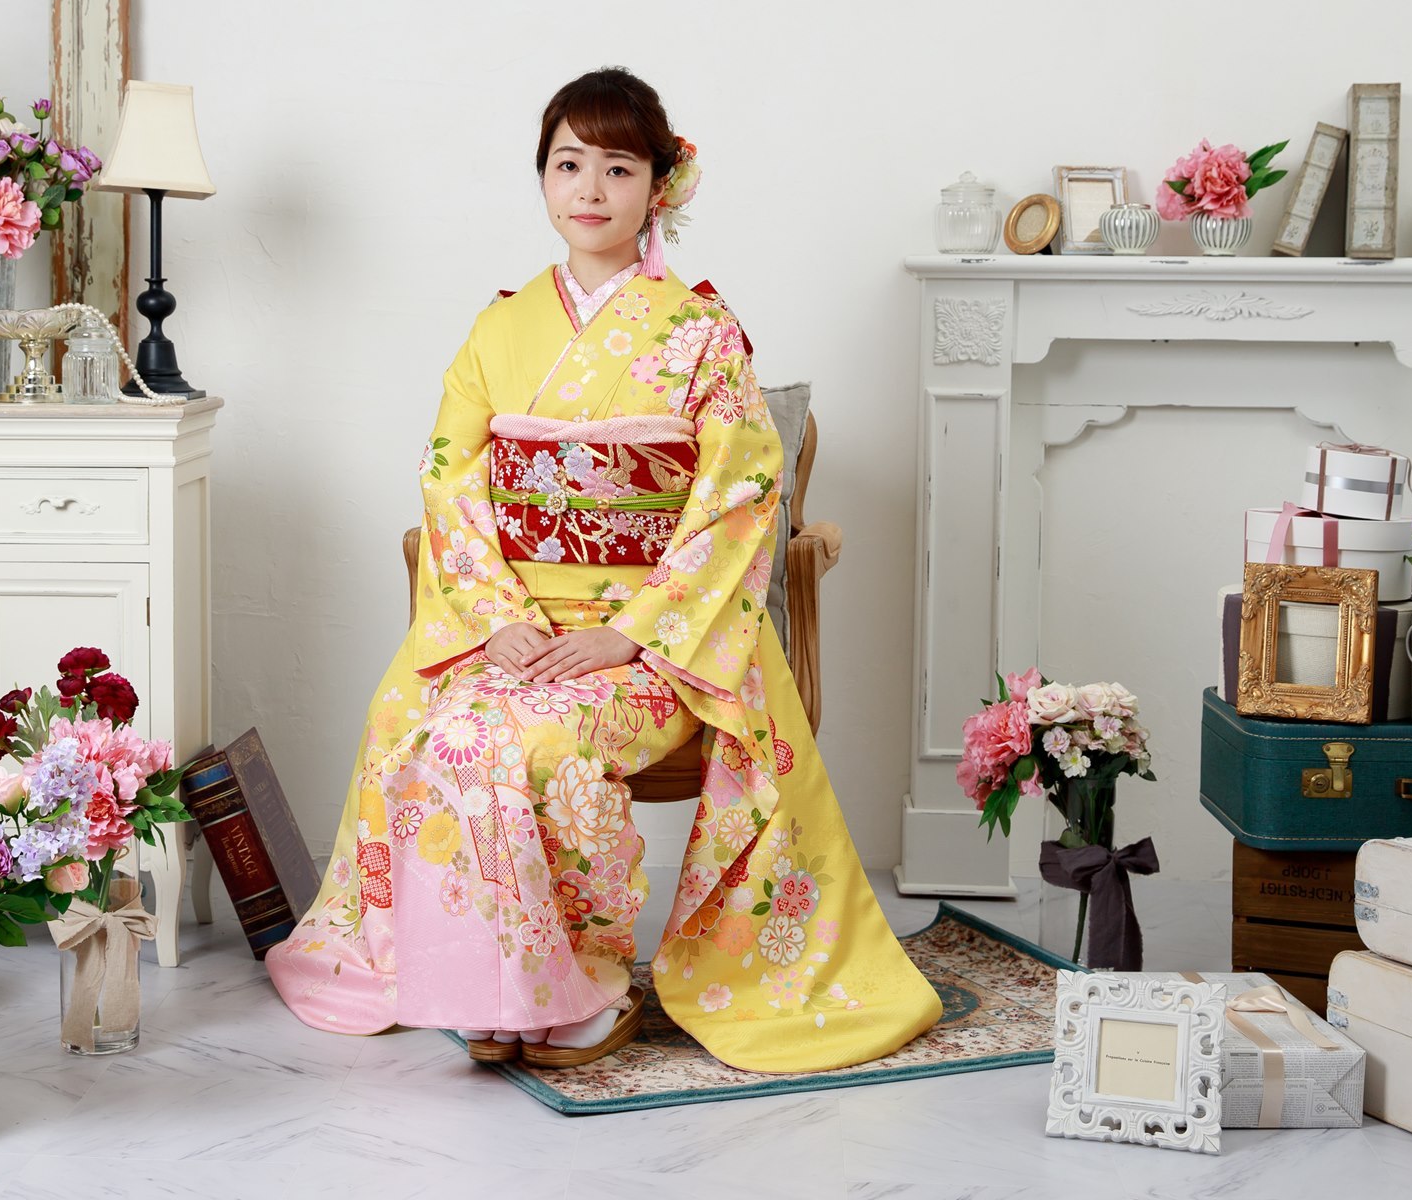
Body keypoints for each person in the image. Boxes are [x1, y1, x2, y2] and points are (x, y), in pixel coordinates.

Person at [265, 68, 940, 1071]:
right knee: (447, 733)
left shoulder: (702, 331)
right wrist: (497, 618)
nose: (589, 188)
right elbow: (449, 478)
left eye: (617, 167)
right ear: (542, 177)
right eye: (567, 163)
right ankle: (503, 987)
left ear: (658, 186)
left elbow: (741, 495)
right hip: (517, 629)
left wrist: (631, 633)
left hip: (656, 646)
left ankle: (590, 981)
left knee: (536, 744)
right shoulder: (499, 327)